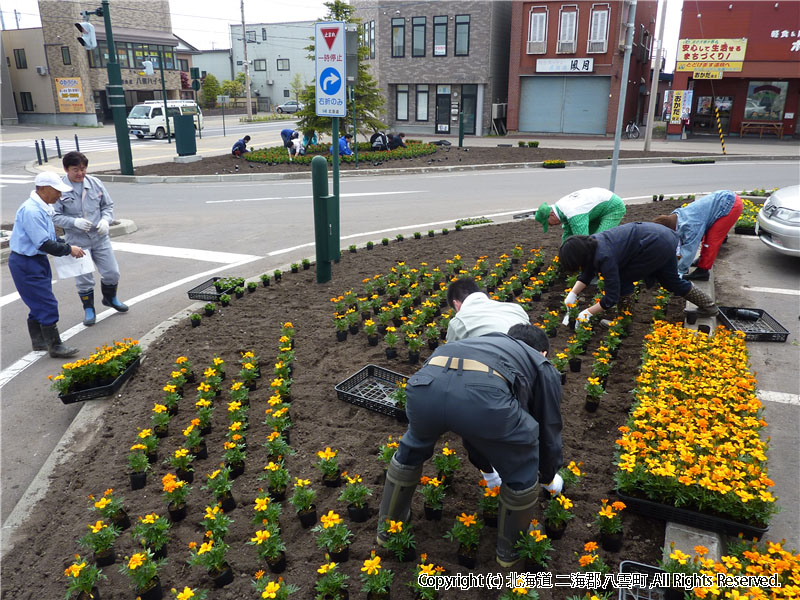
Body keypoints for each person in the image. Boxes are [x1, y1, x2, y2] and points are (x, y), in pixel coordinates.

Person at [376, 326, 563, 567]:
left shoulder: (484, 342)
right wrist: (549, 477)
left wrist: (487, 470)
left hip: (425, 384)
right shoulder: (540, 362)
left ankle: (388, 528)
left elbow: (472, 425)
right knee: (522, 465)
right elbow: (548, 427)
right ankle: (509, 554)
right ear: (544, 352)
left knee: (412, 448)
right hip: (483, 397)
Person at [558, 222, 719, 327]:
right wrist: (573, 293)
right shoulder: (592, 244)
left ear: (579, 256)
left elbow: (612, 296)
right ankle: (709, 306)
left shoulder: (605, 256)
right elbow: (587, 272)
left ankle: (623, 322)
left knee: (623, 279)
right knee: (672, 282)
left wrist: (588, 312)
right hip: (661, 237)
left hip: (654, 245)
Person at [9, 172, 84, 358]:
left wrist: (65, 245)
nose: (59, 195)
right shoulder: (32, 211)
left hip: (35, 260)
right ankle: (55, 345)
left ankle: (39, 341)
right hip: (26, 262)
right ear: (43, 189)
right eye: (56, 191)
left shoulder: (41, 207)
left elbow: (50, 237)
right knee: (46, 302)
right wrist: (68, 249)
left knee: (38, 301)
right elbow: (43, 243)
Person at [54, 151, 128, 327]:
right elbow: (54, 215)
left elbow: (108, 206)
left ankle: (110, 298)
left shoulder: (95, 183)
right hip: (77, 241)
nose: (80, 173)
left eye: (83, 169)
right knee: (84, 278)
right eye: (75, 170)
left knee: (112, 272)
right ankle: (89, 308)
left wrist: (105, 220)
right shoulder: (60, 189)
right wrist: (73, 222)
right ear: (66, 169)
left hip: (100, 237)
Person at [653, 190, 743, 281]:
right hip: (722, 200)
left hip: (730, 205)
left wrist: (678, 272)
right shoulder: (676, 217)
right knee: (707, 238)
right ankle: (701, 260)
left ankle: (703, 272)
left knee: (711, 241)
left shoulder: (691, 227)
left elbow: (689, 250)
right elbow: (679, 246)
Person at [446, 277, 530, 343]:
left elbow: (449, 355)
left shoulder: (458, 322)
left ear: (456, 304)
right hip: (533, 359)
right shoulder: (515, 308)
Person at [534, 188, 627, 244]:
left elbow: (582, 239)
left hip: (612, 207)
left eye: (547, 223)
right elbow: (568, 233)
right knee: (592, 239)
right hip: (595, 210)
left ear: (551, 215)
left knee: (599, 240)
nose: (550, 226)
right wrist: (563, 254)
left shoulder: (573, 213)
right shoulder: (561, 209)